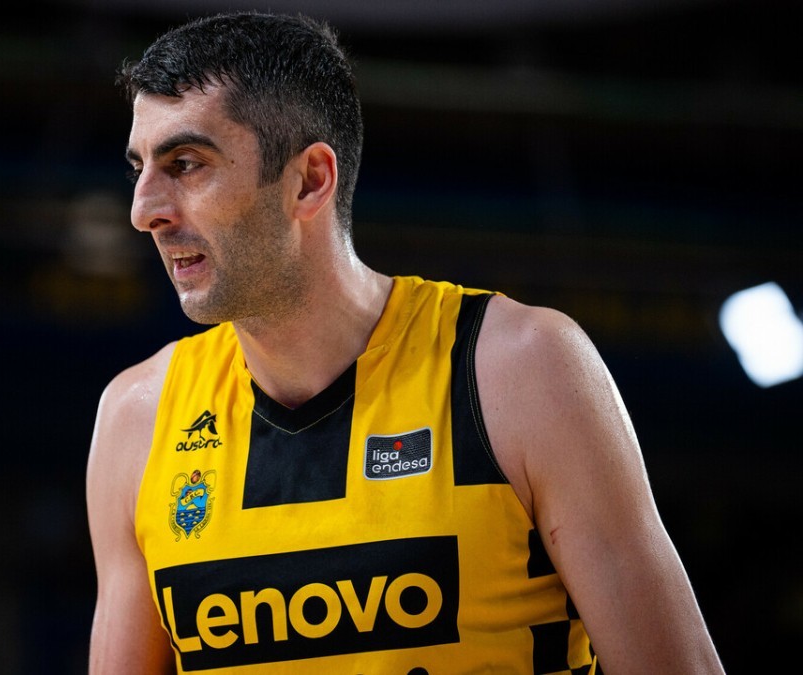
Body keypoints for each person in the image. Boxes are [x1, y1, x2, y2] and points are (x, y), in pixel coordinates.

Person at [86, 11, 725, 674]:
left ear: (310, 180)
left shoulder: (522, 369)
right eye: (139, 169)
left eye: (186, 164)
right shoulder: (138, 418)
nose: (144, 209)